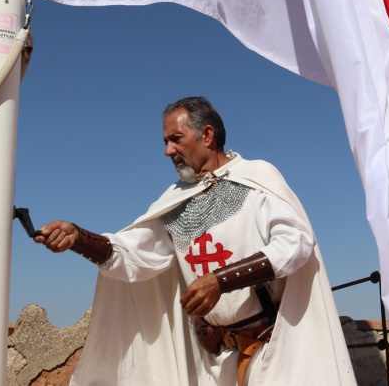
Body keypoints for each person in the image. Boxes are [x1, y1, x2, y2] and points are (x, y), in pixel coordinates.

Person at [34, 96, 357, 386]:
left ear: (207, 135)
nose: (168, 151)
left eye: (176, 139)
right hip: (216, 359)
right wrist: (79, 238)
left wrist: (220, 280)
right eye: (165, 142)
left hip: (276, 348)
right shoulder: (175, 199)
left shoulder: (257, 176)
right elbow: (135, 255)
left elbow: (295, 243)